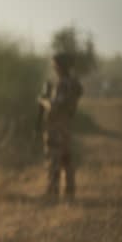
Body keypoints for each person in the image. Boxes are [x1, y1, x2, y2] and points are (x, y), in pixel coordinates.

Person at [37, 52, 82, 202]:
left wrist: (43, 100)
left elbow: (54, 106)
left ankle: (52, 191)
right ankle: (70, 191)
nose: (53, 67)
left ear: (59, 66)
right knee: (66, 159)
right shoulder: (74, 83)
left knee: (54, 159)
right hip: (67, 125)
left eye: (54, 64)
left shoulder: (63, 84)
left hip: (56, 126)